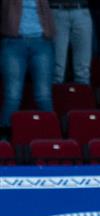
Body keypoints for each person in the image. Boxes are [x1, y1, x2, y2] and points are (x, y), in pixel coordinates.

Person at [1, 0, 53, 130]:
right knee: (13, 96)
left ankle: (52, 133)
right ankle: (5, 136)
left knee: (43, 95)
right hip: (13, 42)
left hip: (41, 42)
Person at [50, 0, 90, 84]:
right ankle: (56, 90)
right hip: (57, 9)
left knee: (83, 67)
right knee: (57, 67)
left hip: (81, 9)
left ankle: (82, 90)